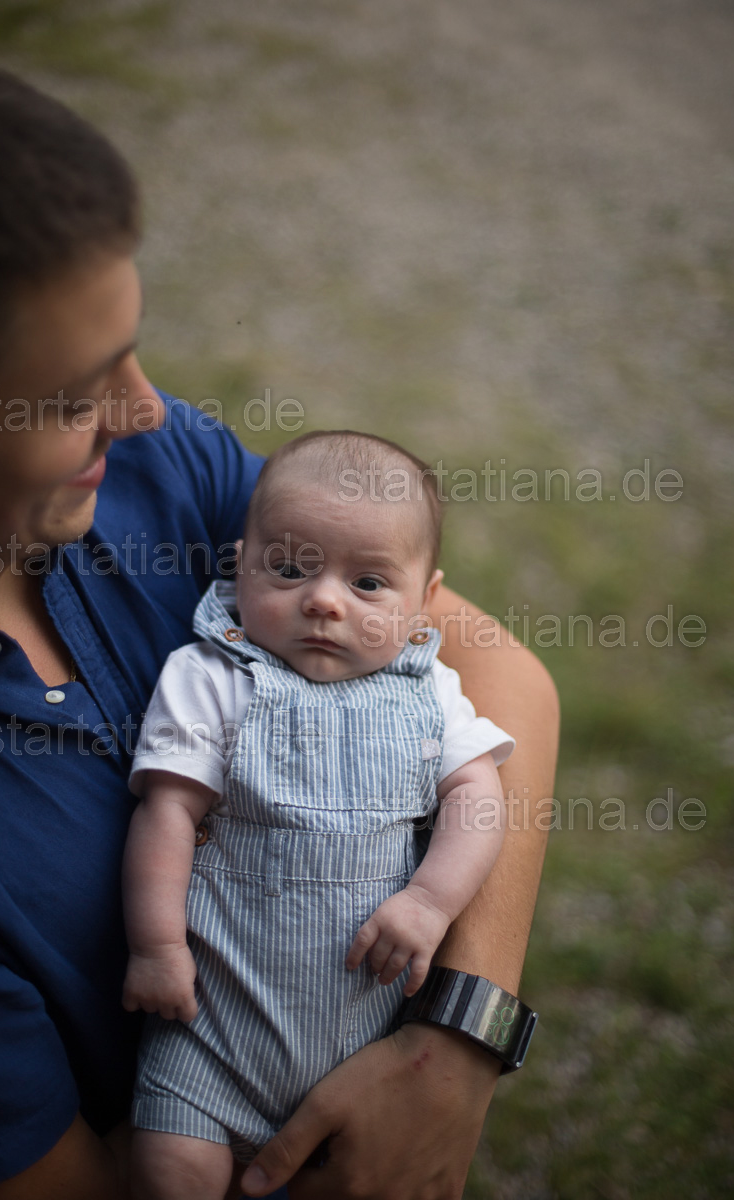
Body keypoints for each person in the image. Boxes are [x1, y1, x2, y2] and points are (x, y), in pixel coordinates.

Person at [0, 47, 558, 1200]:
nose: (145, 407)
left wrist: (456, 1043)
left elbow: (497, 673)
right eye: (73, 394)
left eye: (133, 347)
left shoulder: (146, 467)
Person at [122, 431, 515, 1199]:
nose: (325, 600)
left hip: (364, 1039)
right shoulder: (212, 675)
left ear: (425, 600)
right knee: (170, 1172)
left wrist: (430, 902)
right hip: (211, 1030)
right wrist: (157, 947)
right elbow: (167, 812)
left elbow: (477, 796)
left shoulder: (431, 692)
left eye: (368, 583)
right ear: (242, 563)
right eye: (290, 568)